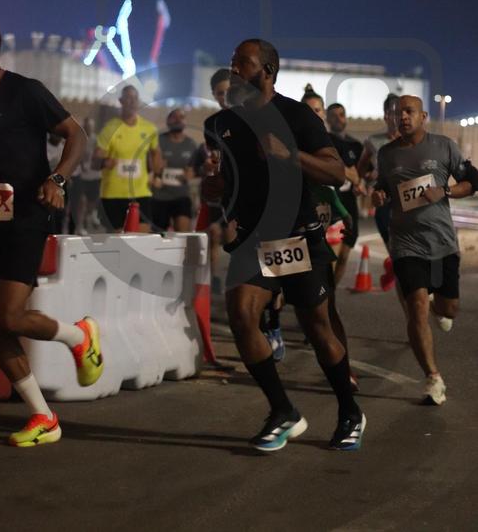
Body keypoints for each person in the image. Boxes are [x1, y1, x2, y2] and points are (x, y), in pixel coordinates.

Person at [202, 39, 365, 452]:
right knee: (242, 313)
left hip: (297, 236)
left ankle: (350, 411)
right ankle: (283, 411)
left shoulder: (295, 116)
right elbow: (221, 185)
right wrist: (214, 186)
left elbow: (335, 173)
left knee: (318, 329)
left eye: (243, 63)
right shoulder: (222, 124)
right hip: (254, 238)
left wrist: (289, 154)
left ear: (267, 71)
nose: (234, 69)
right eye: (232, 62)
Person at [0, 19, 104, 447]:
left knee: (8, 315)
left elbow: (75, 135)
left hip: (28, 214)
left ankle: (79, 335)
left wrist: (57, 179)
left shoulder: (25, 92)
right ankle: (43, 417)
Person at [373, 95, 473, 405]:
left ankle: (437, 303)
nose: (402, 117)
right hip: (405, 243)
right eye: (397, 112)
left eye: (409, 111)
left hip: (441, 242)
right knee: (416, 305)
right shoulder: (387, 154)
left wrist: (445, 190)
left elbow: (472, 181)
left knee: (448, 310)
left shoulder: (443, 146)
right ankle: (433, 377)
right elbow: (382, 185)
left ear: (423, 116)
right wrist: (379, 194)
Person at [93, 85, 162, 233]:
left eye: (135, 98)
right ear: (121, 101)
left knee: (143, 238)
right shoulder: (109, 128)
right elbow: (94, 161)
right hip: (113, 194)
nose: (131, 102)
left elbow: (156, 153)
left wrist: (157, 175)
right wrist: (104, 162)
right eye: (128, 98)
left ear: (139, 102)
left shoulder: (149, 128)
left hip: (141, 193)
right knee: (118, 241)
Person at [194, 68, 237, 272]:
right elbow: (214, 157)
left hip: (248, 190)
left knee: (238, 239)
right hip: (222, 191)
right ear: (213, 94)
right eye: (220, 93)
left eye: (229, 91)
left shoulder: (252, 117)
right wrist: (209, 167)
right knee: (214, 236)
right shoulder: (211, 123)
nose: (225, 96)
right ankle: (213, 283)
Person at [358, 93, 400, 289]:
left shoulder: (413, 141)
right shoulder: (373, 141)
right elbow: (360, 169)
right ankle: (393, 267)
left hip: (408, 202)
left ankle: (394, 270)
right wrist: (368, 177)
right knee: (394, 250)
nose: (398, 117)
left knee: (409, 254)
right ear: (385, 116)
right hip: (384, 202)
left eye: (401, 112)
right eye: (393, 112)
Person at [326, 103, 364, 286]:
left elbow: (361, 176)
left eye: (341, 114)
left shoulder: (355, 145)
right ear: (327, 119)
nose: (338, 119)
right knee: (331, 257)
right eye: (333, 116)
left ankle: (331, 292)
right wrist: (348, 173)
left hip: (349, 205)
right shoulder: (324, 142)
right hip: (331, 205)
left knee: (343, 256)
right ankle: (326, 298)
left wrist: (360, 183)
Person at [152, 108, 197, 233]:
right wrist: (156, 169)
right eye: (174, 117)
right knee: (158, 236)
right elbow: (148, 166)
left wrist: (192, 174)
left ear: (185, 122)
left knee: (183, 235)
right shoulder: (158, 141)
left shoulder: (191, 144)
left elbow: (196, 170)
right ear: (167, 121)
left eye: (181, 117)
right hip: (159, 196)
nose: (177, 120)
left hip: (181, 196)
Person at [74, 116, 102, 235]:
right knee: (82, 201)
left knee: (92, 201)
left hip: (94, 176)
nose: (88, 129)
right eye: (86, 127)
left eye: (90, 127)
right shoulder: (78, 139)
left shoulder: (97, 140)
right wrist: (81, 164)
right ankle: (80, 225)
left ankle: (90, 215)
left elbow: (100, 156)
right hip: (81, 176)